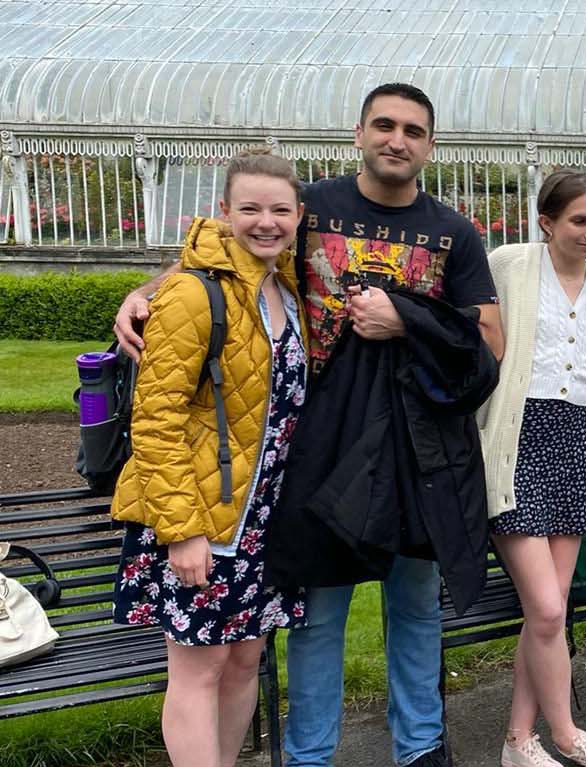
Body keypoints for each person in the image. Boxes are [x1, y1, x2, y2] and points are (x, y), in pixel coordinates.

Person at [115, 83, 504, 767]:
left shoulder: (453, 230)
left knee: (415, 605)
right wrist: (145, 294)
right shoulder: (309, 206)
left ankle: (419, 747)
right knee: (317, 614)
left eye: (413, 130)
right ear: (358, 133)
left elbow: (488, 340)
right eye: (383, 125)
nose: (397, 139)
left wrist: (405, 320)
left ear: (430, 146)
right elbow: (229, 257)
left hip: (414, 451)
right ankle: (309, 755)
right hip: (317, 445)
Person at [110, 149, 309, 767]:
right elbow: (156, 417)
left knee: (243, 658)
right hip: (199, 515)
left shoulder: (286, 287)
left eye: (280, 209)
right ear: (223, 212)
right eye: (249, 208)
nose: (266, 221)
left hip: (262, 518)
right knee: (199, 668)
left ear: (299, 215)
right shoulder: (192, 295)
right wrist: (181, 530)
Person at [478, 171, 586, 767]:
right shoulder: (510, 264)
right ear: (547, 222)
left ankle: (520, 740)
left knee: (552, 610)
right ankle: (566, 733)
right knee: (543, 608)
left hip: (573, 442)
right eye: (578, 221)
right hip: (516, 439)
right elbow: (477, 339)